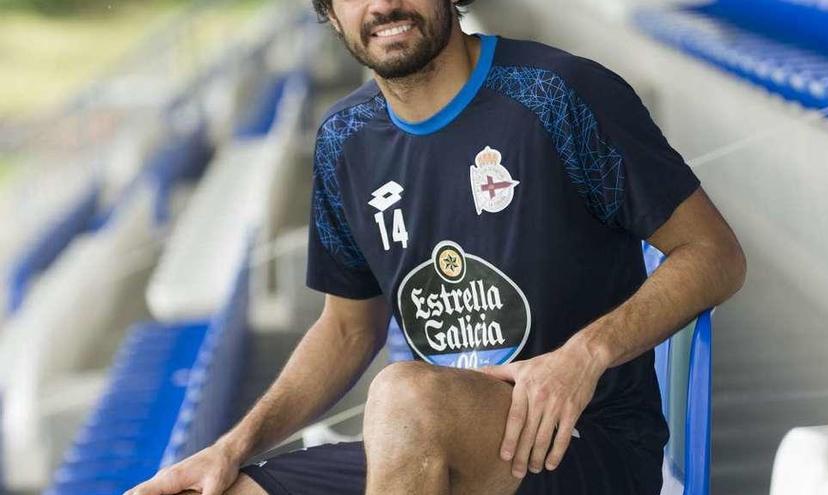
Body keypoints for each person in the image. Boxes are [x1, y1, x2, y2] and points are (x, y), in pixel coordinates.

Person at [125, 0, 747, 494]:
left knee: (404, 391)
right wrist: (230, 448)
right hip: (428, 446)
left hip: (581, 447)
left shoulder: (559, 96)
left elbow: (714, 253)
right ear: (329, 11)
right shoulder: (345, 141)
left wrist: (585, 354)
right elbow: (345, 331)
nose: (386, 4)